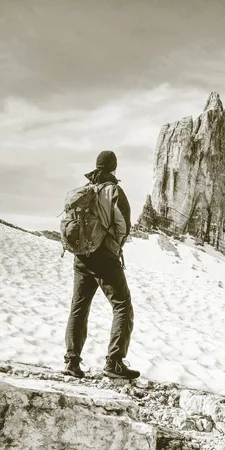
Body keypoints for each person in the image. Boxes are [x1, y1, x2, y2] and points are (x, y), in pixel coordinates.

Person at [63, 150, 140, 379]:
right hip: (104, 256)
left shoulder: (84, 191)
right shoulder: (113, 190)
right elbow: (123, 226)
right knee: (122, 305)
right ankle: (114, 362)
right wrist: (114, 244)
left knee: (79, 307)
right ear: (113, 168)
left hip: (81, 256)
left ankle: (71, 362)